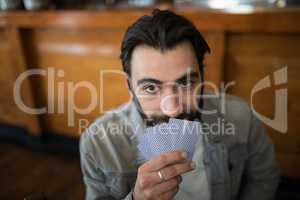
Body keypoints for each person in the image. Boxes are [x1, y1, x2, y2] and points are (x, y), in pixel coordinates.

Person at [80, 9, 280, 200]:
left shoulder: (241, 117)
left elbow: (264, 178)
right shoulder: (98, 144)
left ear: (202, 77)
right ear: (129, 86)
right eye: (151, 88)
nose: (173, 109)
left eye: (185, 83)